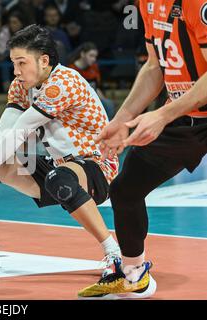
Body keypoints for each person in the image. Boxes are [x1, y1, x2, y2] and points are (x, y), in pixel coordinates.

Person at [0, 25, 121, 273]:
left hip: (98, 167)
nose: (16, 71)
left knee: (56, 177)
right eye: (13, 63)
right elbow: (3, 130)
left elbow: (22, 128)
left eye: (22, 63)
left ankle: (114, 252)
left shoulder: (63, 83)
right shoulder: (21, 86)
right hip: (60, 165)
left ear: (44, 60)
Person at [78, 0, 207, 299]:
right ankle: (134, 274)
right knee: (125, 190)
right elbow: (153, 67)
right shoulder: (148, 4)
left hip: (176, 112)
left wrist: (161, 115)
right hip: (184, 116)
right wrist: (122, 119)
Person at [68, 42, 116, 119]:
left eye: (95, 57)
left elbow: (96, 87)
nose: (94, 59)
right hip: (78, 101)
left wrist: (104, 100)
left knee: (109, 104)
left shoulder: (94, 67)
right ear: (83, 54)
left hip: (93, 98)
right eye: (91, 56)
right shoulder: (71, 69)